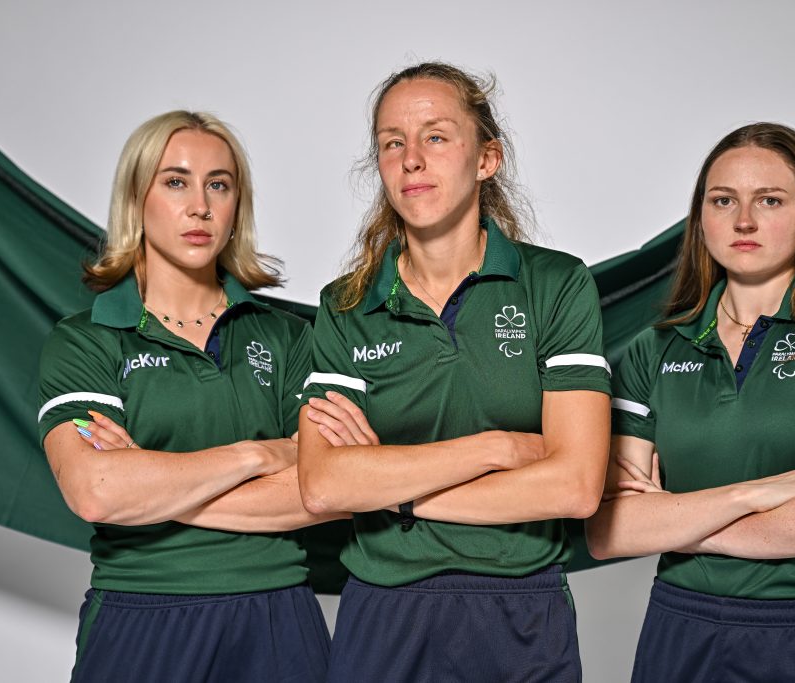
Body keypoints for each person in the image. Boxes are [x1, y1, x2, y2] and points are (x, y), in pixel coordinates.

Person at [296, 62, 612, 682]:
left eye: (435, 136)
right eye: (392, 143)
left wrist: (394, 487)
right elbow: (324, 487)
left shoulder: (555, 284)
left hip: (522, 609)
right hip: (383, 610)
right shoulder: (346, 306)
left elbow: (574, 487)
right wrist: (495, 450)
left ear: (487, 158)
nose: (411, 159)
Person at [586, 122, 795, 682]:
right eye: (723, 200)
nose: (745, 220)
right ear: (701, 217)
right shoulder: (651, 350)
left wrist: (677, 519)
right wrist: (752, 494)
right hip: (679, 631)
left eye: (770, 200)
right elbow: (610, 530)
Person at [37, 111, 343, 682]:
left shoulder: (288, 338)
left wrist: (151, 484)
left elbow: (330, 491)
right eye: (175, 181)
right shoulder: (86, 340)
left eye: (218, 185)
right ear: (137, 198)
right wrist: (262, 454)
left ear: (235, 208)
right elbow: (97, 491)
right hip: (141, 616)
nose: (199, 205)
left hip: (278, 616)